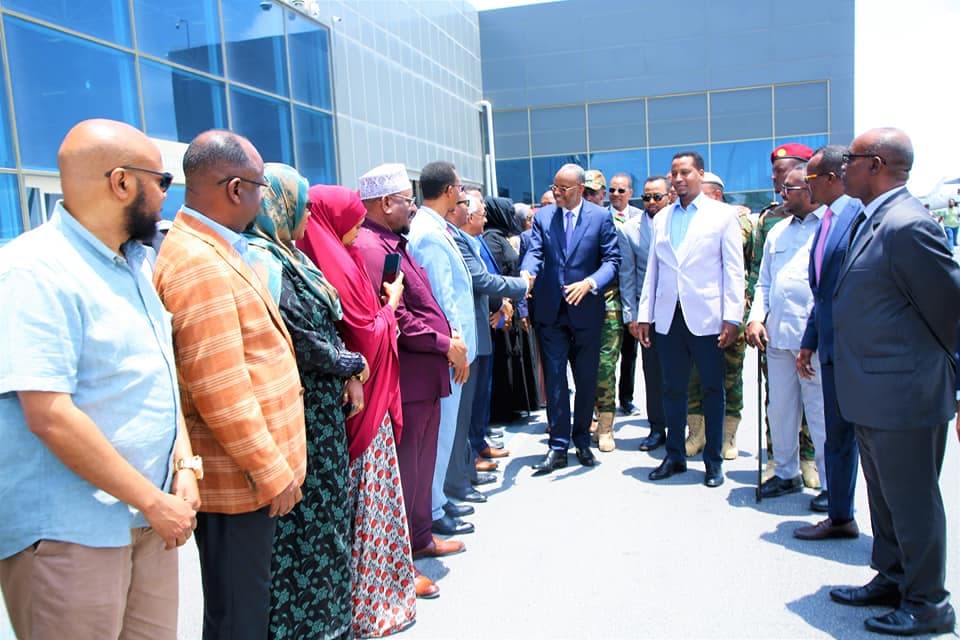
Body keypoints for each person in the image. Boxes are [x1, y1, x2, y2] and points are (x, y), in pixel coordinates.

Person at [0, 119, 198, 639]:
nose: (166, 196)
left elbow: (159, 374)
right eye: (162, 181)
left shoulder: (135, 264)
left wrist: (184, 464)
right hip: (73, 535)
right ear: (122, 182)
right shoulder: (33, 271)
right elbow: (50, 415)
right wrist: (153, 501)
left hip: (150, 520)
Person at [153, 130, 307, 640]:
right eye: (261, 187)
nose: (264, 200)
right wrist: (270, 470)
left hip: (243, 476)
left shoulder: (212, 246)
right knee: (238, 616)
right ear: (236, 188)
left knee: (242, 609)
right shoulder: (199, 262)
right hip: (238, 480)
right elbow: (220, 387)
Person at [828, 128, 959, 636]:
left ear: (877, 164)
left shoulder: (908, 225)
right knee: (885, 501)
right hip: (873, 393)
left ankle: (928, 604)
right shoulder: (873, 218)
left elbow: (950, 312)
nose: (844, 166)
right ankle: (893, 577)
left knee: (913, 504)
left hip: (905, 395)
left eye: (853, 158)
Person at [242, 167, 365, 639]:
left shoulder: (289, 256)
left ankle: (333, 623)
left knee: (328, 527)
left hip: (322, 414)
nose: (308, 214)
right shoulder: (262, 261)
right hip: (299, 422)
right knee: (305, 538)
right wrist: (352, 363)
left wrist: (346, 368)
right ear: (279, 204)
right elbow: (304, 339)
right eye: (302, 203)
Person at [297, 184, 416, 637]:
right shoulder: (335, 265)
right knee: (366, 506)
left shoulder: (335, 257)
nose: (358, 229)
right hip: (360, 406)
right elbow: (365, 334)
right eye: (352, 220)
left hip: (364, 399)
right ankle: (369, 603)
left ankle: (375, 597)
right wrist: (391, 305)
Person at [352, 163, 466, 598]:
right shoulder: (371, 247)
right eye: (405, 200)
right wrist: (444, 343)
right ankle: (402, 561)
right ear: (385, 203)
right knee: (405, 474)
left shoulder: (391, 241)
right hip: (409, 377)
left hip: (425, 377)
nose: (412, 207)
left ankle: (420, 538)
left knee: (419, 468)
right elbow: (396, 316)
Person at [637, 151, 744, 488]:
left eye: (685, 172)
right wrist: (645, 316)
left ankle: (713, 461)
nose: (678, 179)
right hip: (668, 318)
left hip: (708, 318)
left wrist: (732, 318)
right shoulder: (662, 218)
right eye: (674, 173)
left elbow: (734, 270)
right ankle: (675, 455)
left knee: (712, 389)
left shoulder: (722, 216)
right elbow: (653, 271)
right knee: (672, 389)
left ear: (700, 173)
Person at [521, 163, 620, 473]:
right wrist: (526, 272)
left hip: (586, 310)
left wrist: (590, 283)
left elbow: (612, 260)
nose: (557, 193)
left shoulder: (600, 217)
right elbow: (535, 252)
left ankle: (582, 441)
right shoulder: (544, 217)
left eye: (563, 189)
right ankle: (558, 446)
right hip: (551, 312)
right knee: (555, 379)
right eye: (554, 187)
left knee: (586, 379)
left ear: (580, 189)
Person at [406, 161, 481, 537]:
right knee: (441, 434)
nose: (462, 194)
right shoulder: (429, 233)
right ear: (450, 190)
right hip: (449, 351)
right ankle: (432, 509)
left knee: (446, 432)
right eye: (460, 188)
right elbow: (441, 297)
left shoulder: (436, 227)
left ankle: (437, 499)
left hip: (453, 348)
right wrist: (457, 347)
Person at [745, 164, 828, 503]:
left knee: (820, 414)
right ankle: (785, 473)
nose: (782, 194)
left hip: (813, 341)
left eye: (788, 189)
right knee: (780, 410)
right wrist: (755, 319)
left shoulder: (829, 227)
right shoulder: (778, 231)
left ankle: (831, 485)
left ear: (809, 190)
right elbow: (764, 282)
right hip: (778, 337)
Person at [794, 145, 863, 538]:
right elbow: (822, 293)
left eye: (810, 179)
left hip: (859, 352)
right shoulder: (827, 221)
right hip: (831, 349)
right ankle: (840, 516)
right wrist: (810, 340)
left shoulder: (858, 218)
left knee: (864, 441)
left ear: (832, 178)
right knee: (837, 437)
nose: (806, 186)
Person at [454, 193, 530, 474]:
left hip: (489, 321)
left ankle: (478, 441)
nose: (485, 220)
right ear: (469, 217)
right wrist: (518, 290)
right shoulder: (464, 241)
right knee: (472, 397)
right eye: (481, 214)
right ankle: (472, 452)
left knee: (482, 393)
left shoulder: (476, 240)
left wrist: (505, 305)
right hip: (477, 324)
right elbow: (483, 280)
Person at [685, 172, 753, 460]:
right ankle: (696, 433)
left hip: (731, 313)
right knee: (694, 376)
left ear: (715, 195)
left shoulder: (738, 221)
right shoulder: (688, 221)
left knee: (730, 376)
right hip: (699, 313)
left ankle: (727, 436)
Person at [621, 176, 670, 451]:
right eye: (646, 197)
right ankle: (657, 428)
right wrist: (631, 315)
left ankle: (689, 428)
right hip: (648, 313)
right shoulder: (630, 230)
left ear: (669, 196)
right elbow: (627, 275)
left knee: (684, 373)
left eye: (657, 197)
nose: (651, 202)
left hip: (681, 310)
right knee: (652, 373)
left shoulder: (679, 222)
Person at [584, 169, 630, 452]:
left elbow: (625, 267)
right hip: (580, 306)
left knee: (605, 367)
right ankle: (590, 418)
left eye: (594, 193)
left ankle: (605, 427)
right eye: (585, 193)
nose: (589, 198)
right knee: (584, 367)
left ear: (603, 194)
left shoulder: (615, 223)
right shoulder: (573, 222)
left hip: (608, 304)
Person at [485, 195, 541, 421]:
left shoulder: (501, 237)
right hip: (502, 306)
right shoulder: (492, 239)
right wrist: (503, 303)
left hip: (512, 304)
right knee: (504, 358)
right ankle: (503, 410)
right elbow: (494, 276)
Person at [608, 173, 644, 416]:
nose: (616, 194)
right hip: (610, 294)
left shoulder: (641, 218)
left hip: (634, 295)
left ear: (630, 193)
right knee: (608, 354)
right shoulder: (601, 218)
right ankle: (604, 403)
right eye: (612, 190)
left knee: (630, 353)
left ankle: (626, 399)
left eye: (621, 190)